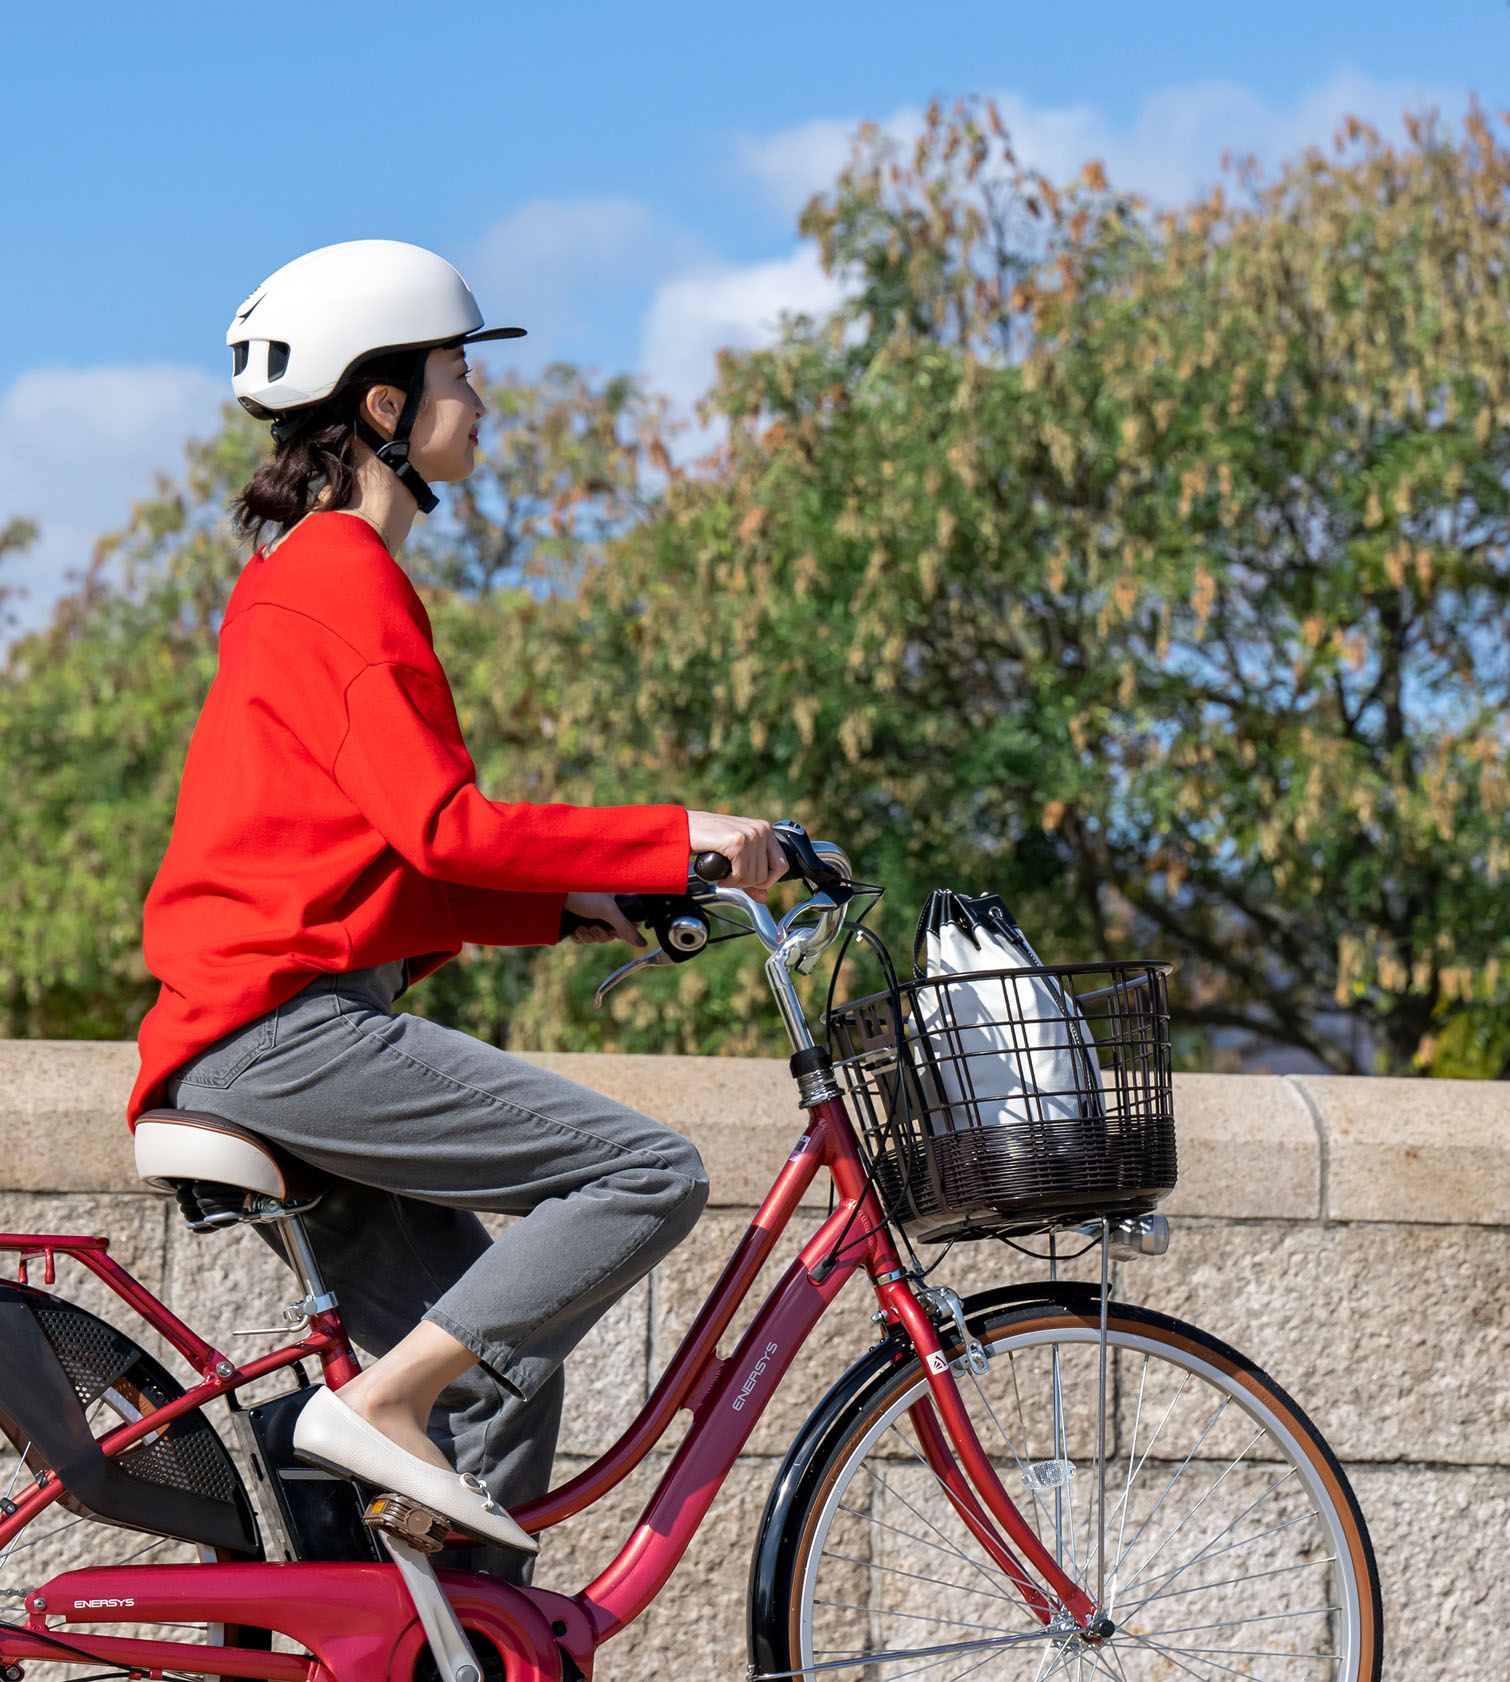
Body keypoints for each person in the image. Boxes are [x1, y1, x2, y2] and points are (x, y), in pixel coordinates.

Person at [126, 238, 787, 1570]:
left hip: (273, 1024)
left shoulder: (317, 580)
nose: (482, 400)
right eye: (458, 373)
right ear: (382, 404)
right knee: (645, 1170)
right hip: (285, 1033)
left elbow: (390, 870)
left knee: (495, 1375)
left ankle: (431, 1640)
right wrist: (683, 836)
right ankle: (374, 1404)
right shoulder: (338, 579)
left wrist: (569, 908)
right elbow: (448, 825)